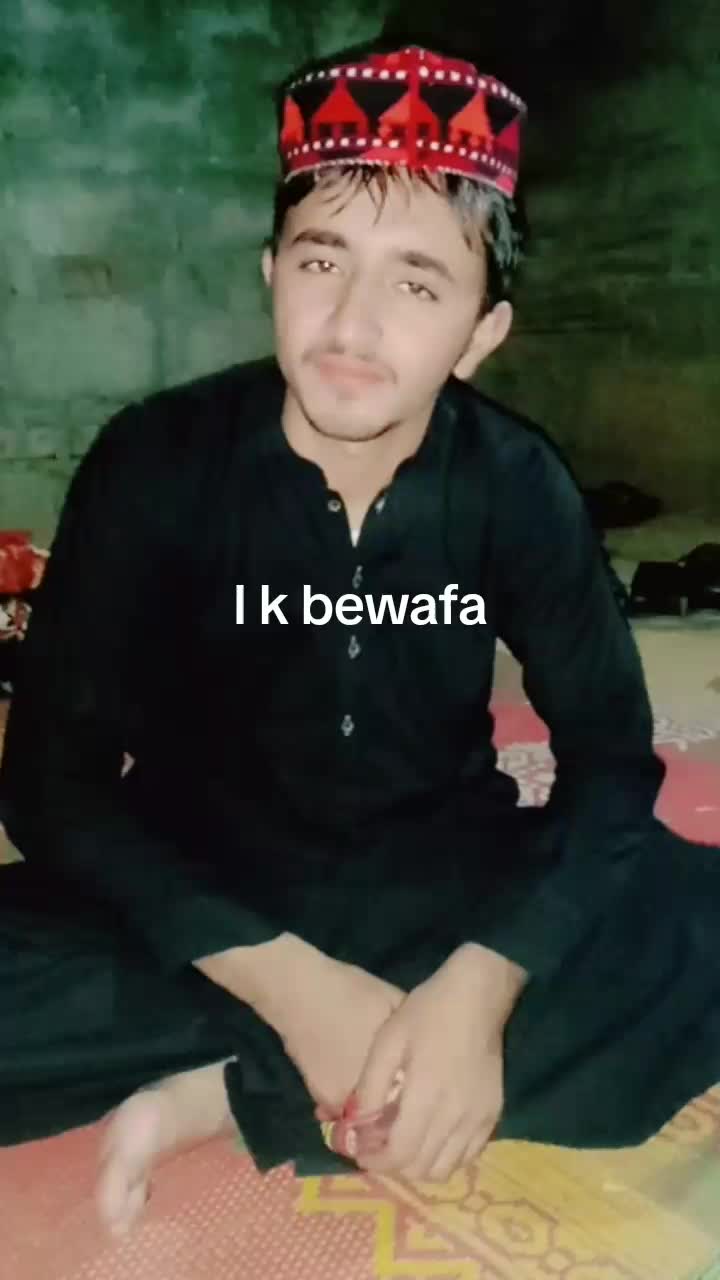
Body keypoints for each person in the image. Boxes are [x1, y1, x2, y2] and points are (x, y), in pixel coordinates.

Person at [1, 41, 719, 1240]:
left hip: (437, 877)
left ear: (483, 330)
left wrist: (480, 986)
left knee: (685, 924)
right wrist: (291, 983)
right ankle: (342, 1047)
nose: (351, 322)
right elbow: (49, 781)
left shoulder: (517, 484)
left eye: (418, 285)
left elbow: (609, 764)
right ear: (271, 270)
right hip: (196, 891)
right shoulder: (156, 461)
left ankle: (234, 1091)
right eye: (323, 260)